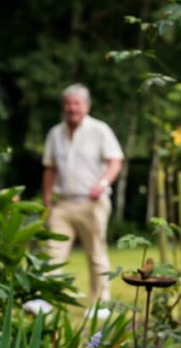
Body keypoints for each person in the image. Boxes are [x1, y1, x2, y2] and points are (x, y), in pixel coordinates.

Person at [41, 83, 123, 307]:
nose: (71, 108)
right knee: (53, 252)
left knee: (96, 253)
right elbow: (50, 168)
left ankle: (100, 304)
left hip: (92, 203)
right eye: (68, 104)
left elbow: (115, 161)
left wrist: (103, 182)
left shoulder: (100, 130)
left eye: (76, 103)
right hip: (63, 204)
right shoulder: (55, 134)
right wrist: (47, 200)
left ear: (86, 106)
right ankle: (47, 300)